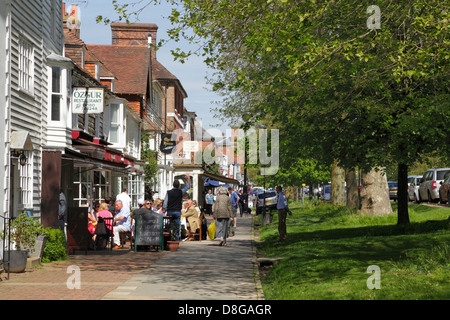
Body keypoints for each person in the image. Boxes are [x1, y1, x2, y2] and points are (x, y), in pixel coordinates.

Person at [163, 174, 190, 241]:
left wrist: (164, 210)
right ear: (179, 185)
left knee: (169, 226)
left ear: (173, 185)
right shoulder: (180, 192)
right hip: (177, 211)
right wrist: (188, 178)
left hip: (170, 211)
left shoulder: (168, 192)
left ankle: (168, 240)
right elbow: (188, 186)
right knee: (177, 227)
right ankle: (176, 241)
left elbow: (165, 202)